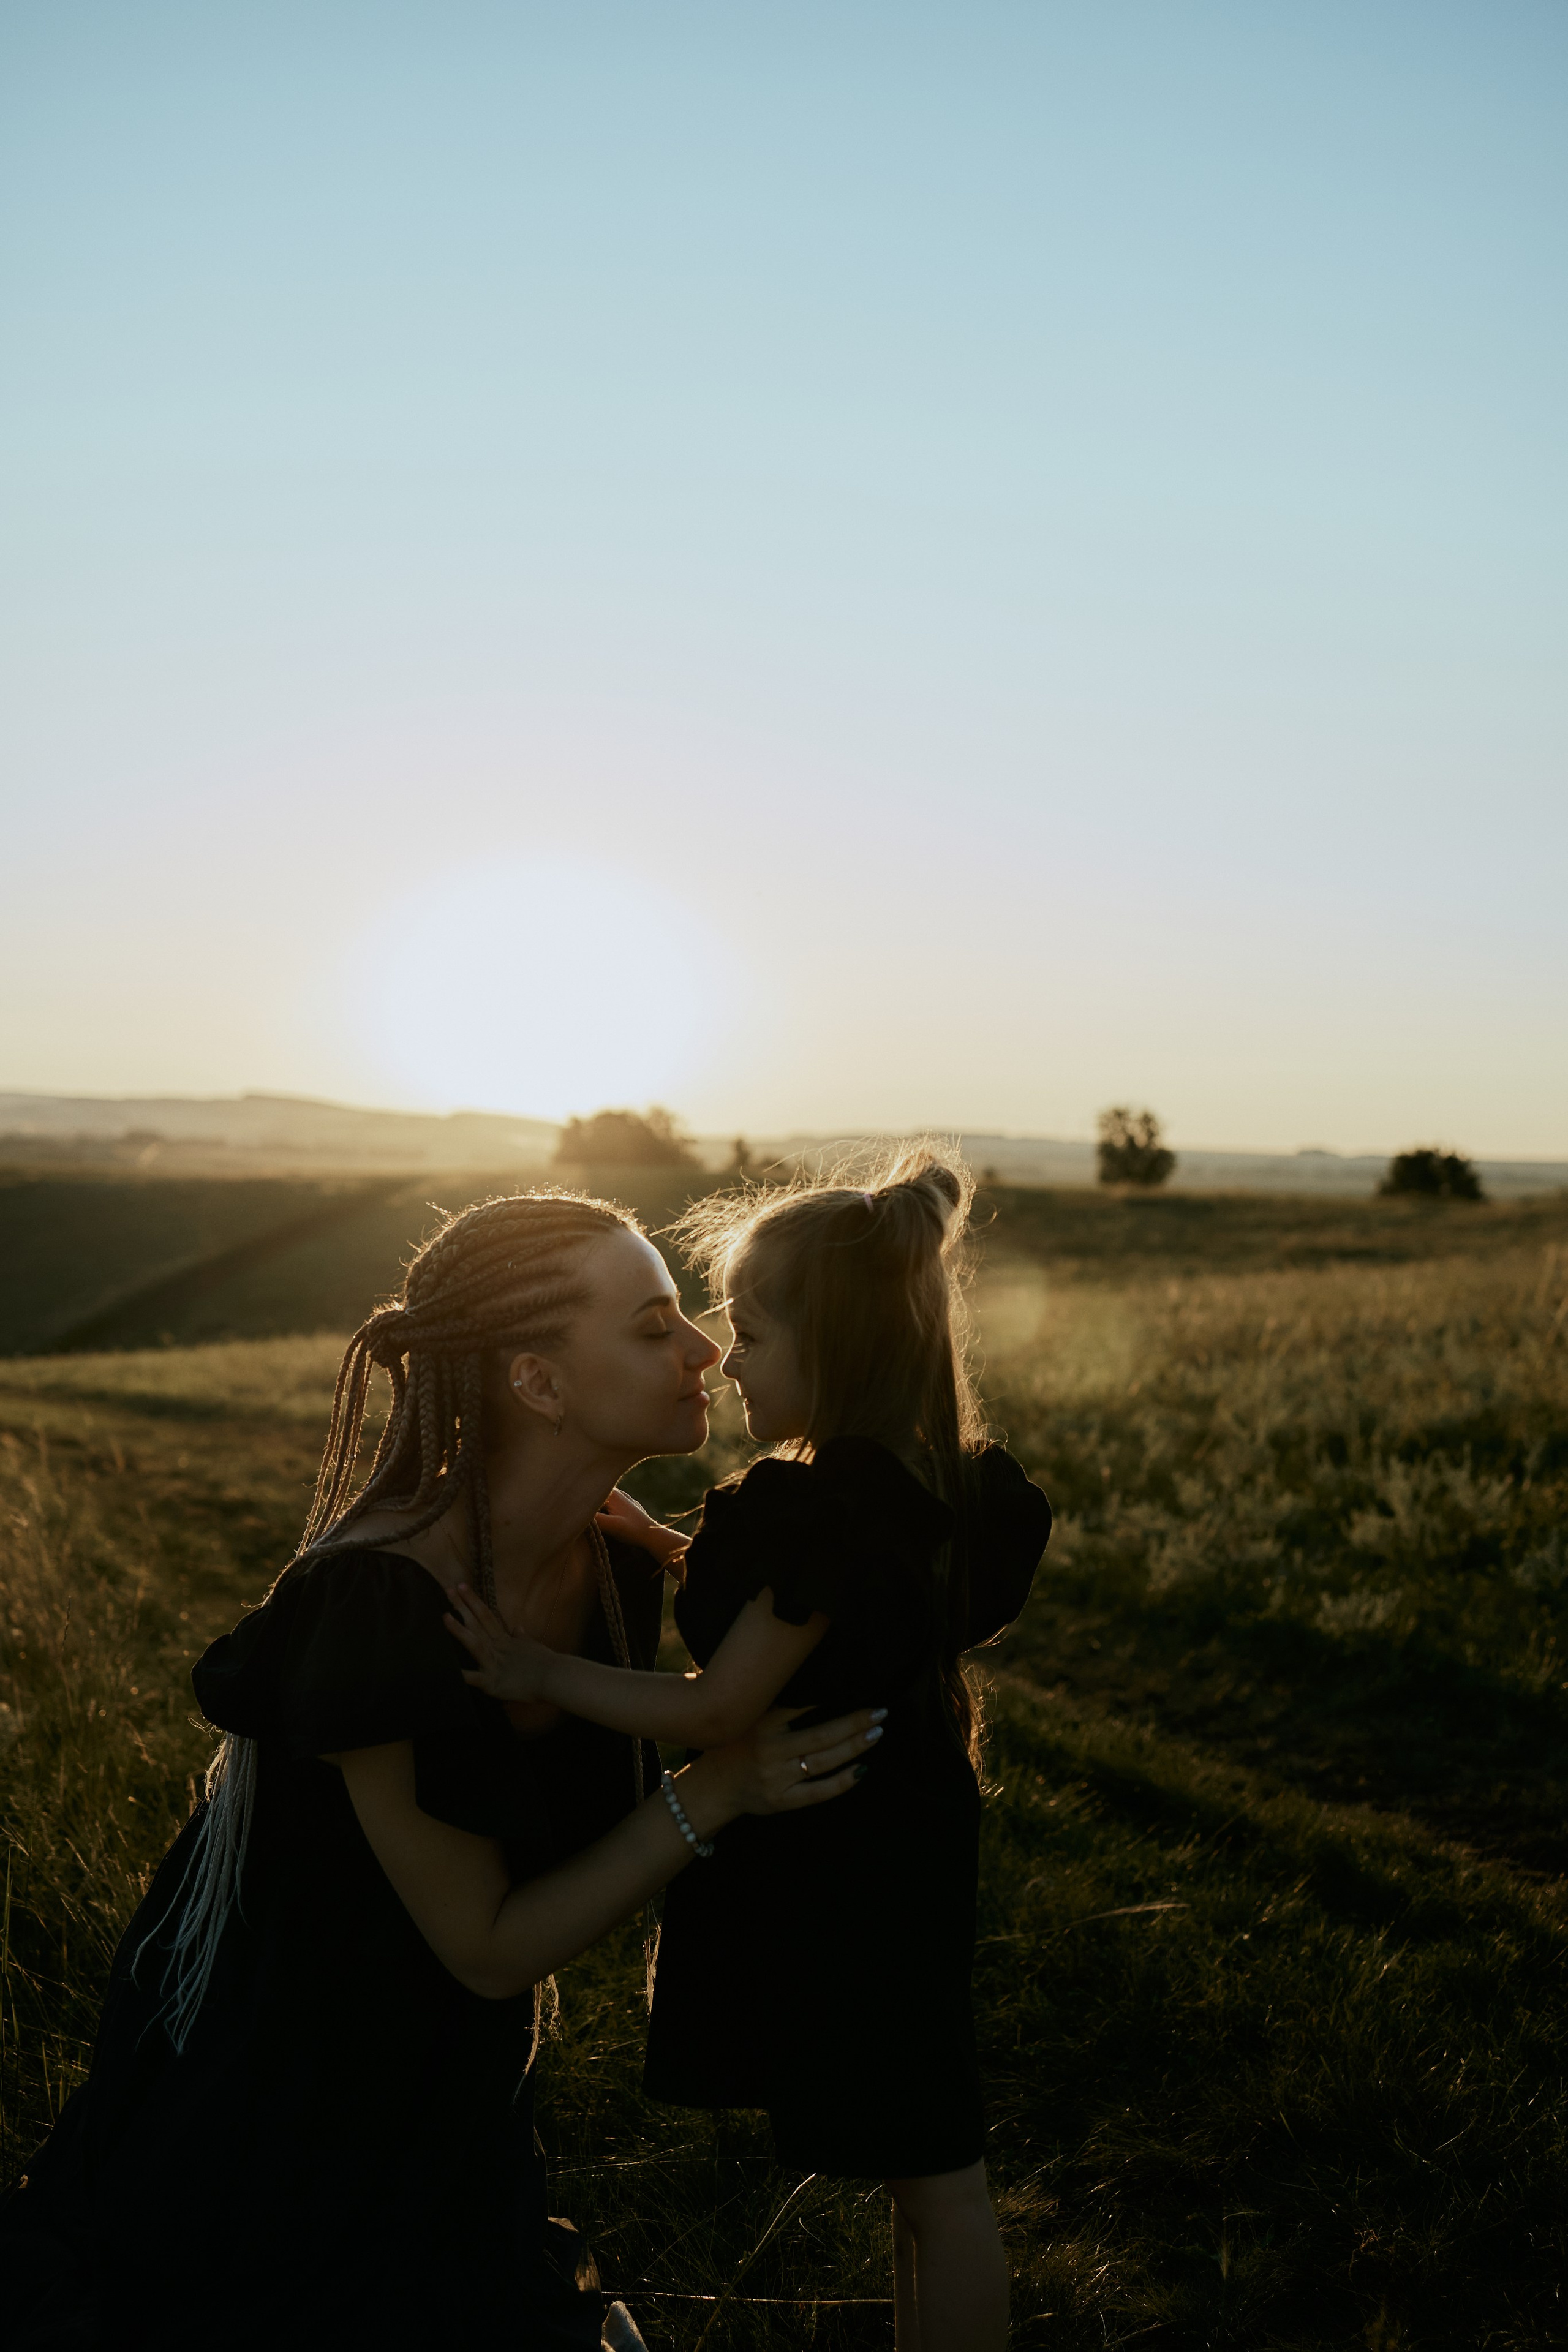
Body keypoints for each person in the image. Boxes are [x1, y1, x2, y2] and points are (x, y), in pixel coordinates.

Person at [1, 1190, 880, 2352]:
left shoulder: (614, 1573)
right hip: (282, 2103)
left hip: (455, 2090)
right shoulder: (375, 1603)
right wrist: (717, 1788)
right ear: (539, 1383)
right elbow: (488, 1948)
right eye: (653, 1324)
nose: (707, 1348)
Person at [447, 1147, 1052, 2352]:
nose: (724, 1362)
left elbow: (718, 1712)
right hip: (906, 1830)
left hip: (854, 1869)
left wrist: (539, 1672)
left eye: (753, 1338)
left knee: (937, 2177)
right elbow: (819, 1615)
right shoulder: (908, 1482)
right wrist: (677, 1545)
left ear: (837, 1357)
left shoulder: (811, 1512)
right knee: (915, 2165)